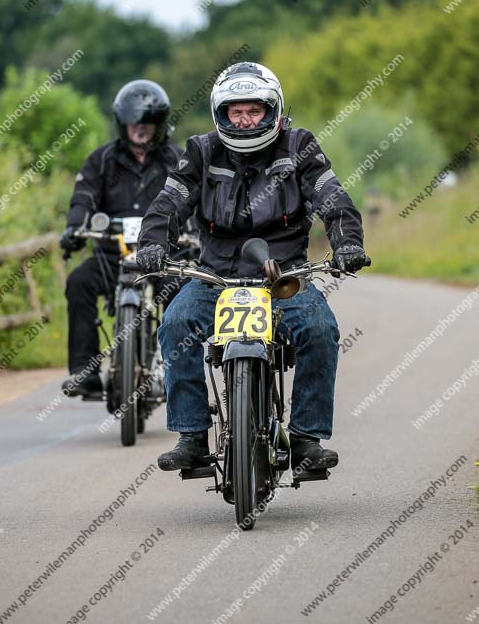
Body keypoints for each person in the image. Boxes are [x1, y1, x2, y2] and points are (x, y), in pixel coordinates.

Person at [136, 62, 369, 477]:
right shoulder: (201, 150)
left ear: (273, 110)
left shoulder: (300, 146)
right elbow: (169, 203)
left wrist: (347, 242)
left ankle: (306, 438)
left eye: (254, 111)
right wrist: (152, 244)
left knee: (320, 331)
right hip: (215, 277)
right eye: (236, 112)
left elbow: (332, 197)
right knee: (174, 323)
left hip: (284, 277)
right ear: (221, 114)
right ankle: (191, 437)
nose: (244, 120)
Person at [60, 80, 182, 397]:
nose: (140, 131)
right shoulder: (101, 161)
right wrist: (74, 228)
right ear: (122, 124)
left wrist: (196, 230)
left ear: (159, 126)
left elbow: (193, 199)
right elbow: (83, 198)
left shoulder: (178, 161)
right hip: (111, 255)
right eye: (134, 125)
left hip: (163, 255)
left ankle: (182, 374)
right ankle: (84, 372)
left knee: (183, 294)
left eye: (147, 125)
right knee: (78, 282)